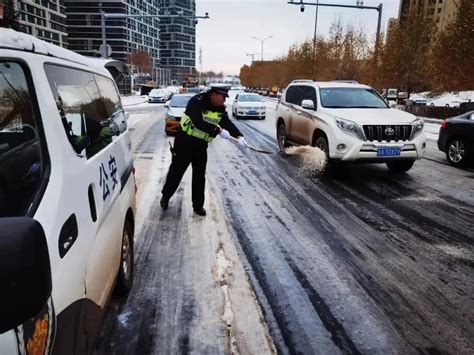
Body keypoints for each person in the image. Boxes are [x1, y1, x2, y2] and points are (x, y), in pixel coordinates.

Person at [160, 86, 247, 216]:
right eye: (223, 97)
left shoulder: (220, 108)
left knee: (199, 176)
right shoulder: (197, 101)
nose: (224, 101)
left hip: (201, 146)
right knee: (176, 172)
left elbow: (226, 123)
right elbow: (198, 122)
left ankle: (198, 205)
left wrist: (239, 136)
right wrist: (218, 130)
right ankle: (166, 196)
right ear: (214, 94)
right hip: (184, 141)